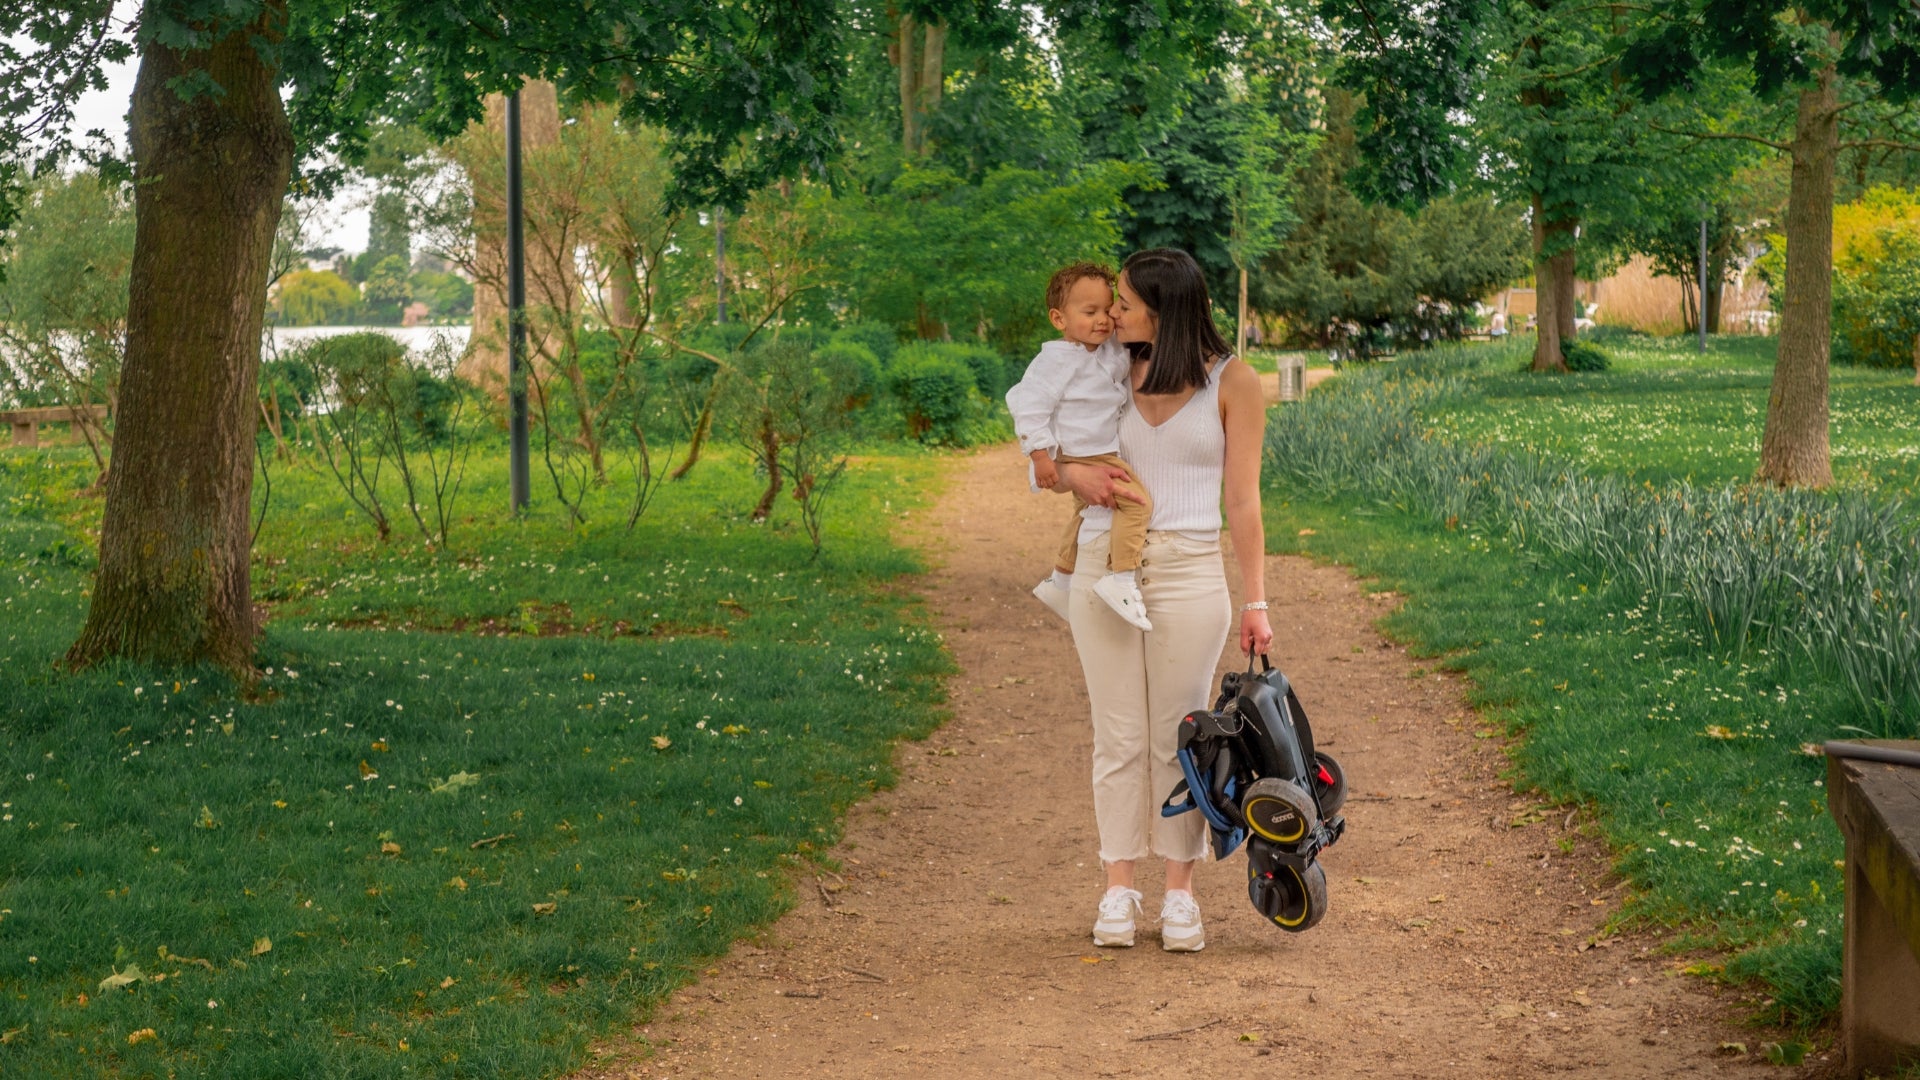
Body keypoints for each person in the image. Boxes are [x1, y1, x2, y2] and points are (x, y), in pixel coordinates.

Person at [1056, 248, 1272, 953]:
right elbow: (1051, 451)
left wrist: (1257, 600)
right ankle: (1119, 887)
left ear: (1165, 305)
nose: (1111, 313)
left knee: (1180, 737)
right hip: (1104, 565)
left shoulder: (1233, 382)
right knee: (1116, 735)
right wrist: (1069, 474)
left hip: (1188, 570)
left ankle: (1180, 893)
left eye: (1123, 301)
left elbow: (1243, 499)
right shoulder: (1106, 372)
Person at [1005, 263, 1155, 631]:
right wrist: (1040, 456)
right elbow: (1029, 406)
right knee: (1137, 504)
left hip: (1094, 449)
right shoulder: (1054, 361)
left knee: (1082, 514)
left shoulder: (1103, 352)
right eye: (1090, 313)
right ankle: (1121, 581)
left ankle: (1061, 580)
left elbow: (1127, 359)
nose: (1103, 320)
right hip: (1086, 452)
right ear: (1059, 318)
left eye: (1107, 310)